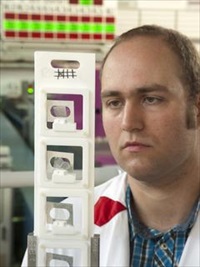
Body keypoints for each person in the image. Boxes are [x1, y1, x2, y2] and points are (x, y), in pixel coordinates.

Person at [22, 25, 200, 266]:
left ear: (196, 109)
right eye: (114, 102)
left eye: (151, 99)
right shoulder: (61, 225)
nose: (129, 123)